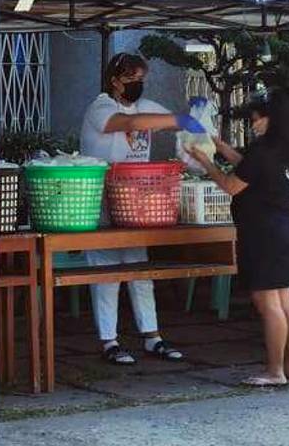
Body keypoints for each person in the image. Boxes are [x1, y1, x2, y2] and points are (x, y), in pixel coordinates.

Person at [79, 52, 202, 365]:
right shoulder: (101, 106)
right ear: (114, 80)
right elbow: (129, 123)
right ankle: (109, 340)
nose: (137, 85)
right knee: (106, 272)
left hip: (137, 200)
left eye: (141, 80)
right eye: (131, 79)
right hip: (102, 199)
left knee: (140, 270)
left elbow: (158, 119)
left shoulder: (146, 107)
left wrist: (195, 123)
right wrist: (177, 120)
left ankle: (152, 336)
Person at [188, 91, 289, 387]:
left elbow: (231, 185)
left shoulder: (263, 151)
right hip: (283, 229)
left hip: (261, 233)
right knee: (284, 299)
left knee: (269, 303)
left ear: (271, 119)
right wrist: (220, 146)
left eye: (256, 119)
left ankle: (274, 371)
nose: (253, 125)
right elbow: (249, 167)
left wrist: (206, 162)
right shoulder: (288, 149)